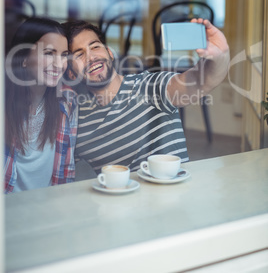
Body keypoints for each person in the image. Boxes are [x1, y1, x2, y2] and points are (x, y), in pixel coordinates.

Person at [63, 18, 230, 176]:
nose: (91, 57)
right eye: (79, 55)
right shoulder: (76, 119)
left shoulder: (149, 86)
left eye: (95, 47)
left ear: (109, 52)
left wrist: (220, 56)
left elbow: (200, 81)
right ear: (70, 72)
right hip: (119, 204)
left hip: (174, 201)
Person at [4, 17, 78, 193]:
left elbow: (66, 171)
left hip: (48, 210)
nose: (58, 65)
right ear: (22, 58)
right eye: (48, 53)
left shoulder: (68, 101)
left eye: (63, 56)